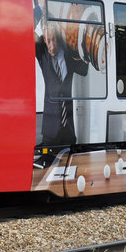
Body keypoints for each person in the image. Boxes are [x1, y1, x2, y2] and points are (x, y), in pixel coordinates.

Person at [36, 18, 88, 153]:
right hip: (50, 131)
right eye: (48, 41)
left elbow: (84, 69)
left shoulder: (70, 55)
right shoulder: (43, 54)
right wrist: (41, 6)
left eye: (54, 39)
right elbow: (27, 29)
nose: (51, 45)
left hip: (69, 130)